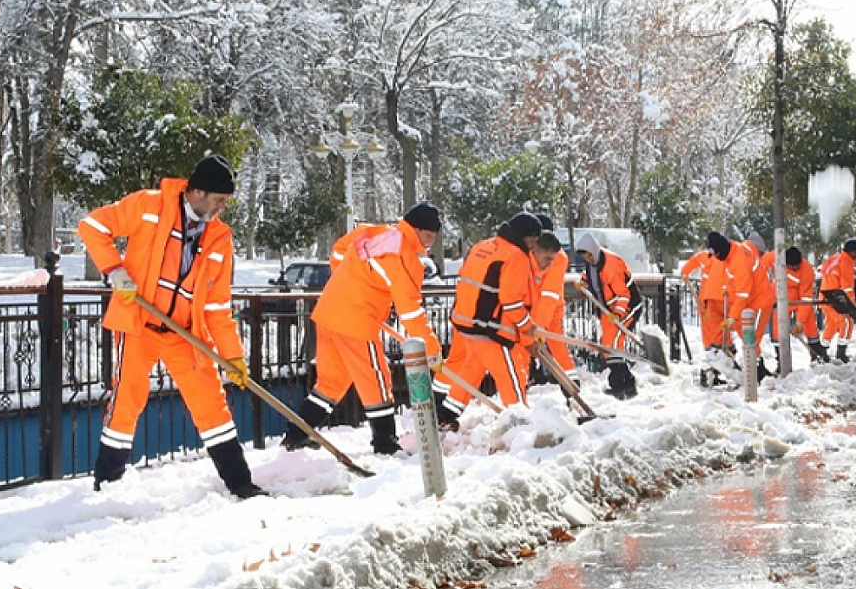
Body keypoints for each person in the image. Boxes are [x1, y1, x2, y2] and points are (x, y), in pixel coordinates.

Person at [80, 155, 266, 498]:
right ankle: (106, 485)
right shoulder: (150, 205)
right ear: (196, 191)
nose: (222, 208)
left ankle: (241, 484)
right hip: (141, 325)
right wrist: (115, 271)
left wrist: (234, 357)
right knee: (126, 402)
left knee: (212, 404)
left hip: (186, 335)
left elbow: (217, 308)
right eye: (218, 199)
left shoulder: (220, 239)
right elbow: (92, 226)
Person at [280, 202, 445, 454]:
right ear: (417, 229)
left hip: (329, 313)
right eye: (429, 235)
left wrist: (352, 282)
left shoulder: (372, 232)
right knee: (377, 380)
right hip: (357, 322)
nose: (430, 242)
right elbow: (410, 311)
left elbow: (337, 253)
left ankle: (296, 436)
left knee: (331, 383)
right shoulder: (406, 258)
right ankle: (385, 443)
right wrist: (432, 348)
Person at [433, 212, 543, 429]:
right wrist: (526, 326)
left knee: (472, 369)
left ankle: (447, 413)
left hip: (465, 321)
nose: (534, 245)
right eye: (534, 239)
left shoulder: (484, 246)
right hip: (490, 326)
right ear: (526, 236)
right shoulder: (516, 256)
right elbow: (511, 300)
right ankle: (520, 422)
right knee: (509, 377)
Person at [575, 232, 642, 399]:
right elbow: (592, 277)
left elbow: (623, 294)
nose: (588, 258)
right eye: (585, 256)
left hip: (626, 307)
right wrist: (583, 281)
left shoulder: (612, 265)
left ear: (594, 250)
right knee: (608, 346)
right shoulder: (592, 263)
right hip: (608, 310)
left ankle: (622, 384)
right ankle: (625, 385)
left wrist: (618, 313)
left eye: (589, 254)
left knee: (613, 343)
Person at [707, 231, 775, 382]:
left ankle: (757, 373)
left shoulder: (739, 260)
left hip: (760, 300)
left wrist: (732, 316)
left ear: (722, 250)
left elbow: (744, 291)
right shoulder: (732, 253)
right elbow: (734, 281)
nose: (717, 258)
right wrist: (726, 289)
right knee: (745, 334)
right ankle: (754, 369)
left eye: (717, 254)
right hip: (748, 301)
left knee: (752, 337)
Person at [529, 215, 580, 387]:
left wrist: (540, 327)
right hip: (534, 307)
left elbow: (549, 294)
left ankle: (571, 383)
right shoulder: (530, 252)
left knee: (557, 346)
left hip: (550, 309)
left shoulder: (558, 258)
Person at [765, 246, 831, 364]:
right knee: (777, 327)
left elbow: (806, 298)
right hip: (779, 300)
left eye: (797, 266)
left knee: (809, 322)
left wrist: (799, 322)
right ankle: (781, 360)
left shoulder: (807, 271)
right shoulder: (775, 257)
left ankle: (818, 354)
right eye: (792, 266)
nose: (795, 268)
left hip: (800, 301)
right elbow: (761, 265)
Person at [820, 237, 856, 363]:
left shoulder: (836, 258)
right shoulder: (846, 261)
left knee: (831, 325)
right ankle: (841, 354)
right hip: (835, 299)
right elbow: (847, 287)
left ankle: (822, 351)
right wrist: (852, 308)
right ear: (851, 251)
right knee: (847, 323)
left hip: (826, 297)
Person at [680, 247, 724, 351]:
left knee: (715, 325)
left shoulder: (709, 257)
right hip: (709, 299)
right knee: (712, 324)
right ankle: (714, 348)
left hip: (714, 298)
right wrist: (684, 273)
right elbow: (690, 265)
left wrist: (685, 272)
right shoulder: (705, 257)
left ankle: (716, 347)